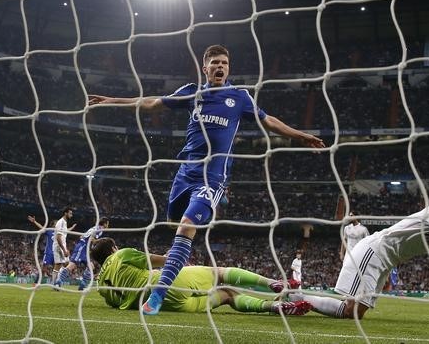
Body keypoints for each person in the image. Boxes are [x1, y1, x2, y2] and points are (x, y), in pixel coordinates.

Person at [88, 44, 325, 315]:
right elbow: (151, 103)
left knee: (187, 226)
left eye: (224, 62)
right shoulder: (192, 92)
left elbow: (268, 120)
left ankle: (156, 297)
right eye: (215, 63)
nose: (220, 67)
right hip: (184, 175)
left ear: (228, 68)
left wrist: (299, 135)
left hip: (211, 177)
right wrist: (112, 101)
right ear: (205, 68)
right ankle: (189, 264)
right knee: (175, 226)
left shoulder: (239, 97)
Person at [290, 195, 429, 322]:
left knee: (354, 313)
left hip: (384, 263)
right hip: (373, 251)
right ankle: (296, 295)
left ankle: (299, 297)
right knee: (351, 312)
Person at [89, 237, 311, 316]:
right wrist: (170, 256)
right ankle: (272, 283)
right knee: (219, 274)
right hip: (162, 286)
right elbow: (165, 261)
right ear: (113, 248)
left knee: (226, 296)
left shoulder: (100, 287)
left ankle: (273, 307)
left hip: (164, 307)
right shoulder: (122, 254)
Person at [55, 217, 110, 290]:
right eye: (108, 224)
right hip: (82, 247)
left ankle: (82, 286)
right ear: (105, 223)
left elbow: (82, 236)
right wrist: (102, 241)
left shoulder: (95, 228)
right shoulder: (100, 230)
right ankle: (58, 283)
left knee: (91, 266)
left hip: (84, 248)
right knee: (72, 265)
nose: (108, 226)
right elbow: (92, 239)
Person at [28, 215, 75, 285]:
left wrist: (72, 227)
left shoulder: (60, 231)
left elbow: (67, 230)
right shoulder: (49, 230)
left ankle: (55, 284)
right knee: (43, 268)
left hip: (57, 253)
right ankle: (36, 283)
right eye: (56, 223)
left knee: (58, 269)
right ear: (53, 224)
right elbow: (41, 227)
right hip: (49, 252)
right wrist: (34, 222)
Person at [52, 207, 74, 284]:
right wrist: (64, 249)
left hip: (62, 246)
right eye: (70, 213)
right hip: (58, 246)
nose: (71, 215)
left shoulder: (64, 223)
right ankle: (55, 283)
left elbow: (63, 237)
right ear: (65, 213)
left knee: (66, 263)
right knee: (59, 264)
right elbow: (58, 237)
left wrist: (65, 248)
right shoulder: (60, 222)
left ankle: (56, 282)